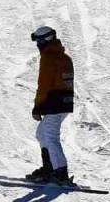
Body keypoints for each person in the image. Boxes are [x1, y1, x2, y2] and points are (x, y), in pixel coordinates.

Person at [27, 26, 75, 186]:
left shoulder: (49, 57)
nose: (38, 45)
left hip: (54, 101)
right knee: (42, 133)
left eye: (39, 42)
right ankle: (49, 169)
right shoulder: (65, 57)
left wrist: (38, 106)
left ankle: (60, 172)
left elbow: (44, 84)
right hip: (64, 102)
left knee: (49, 135)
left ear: (45, 41)